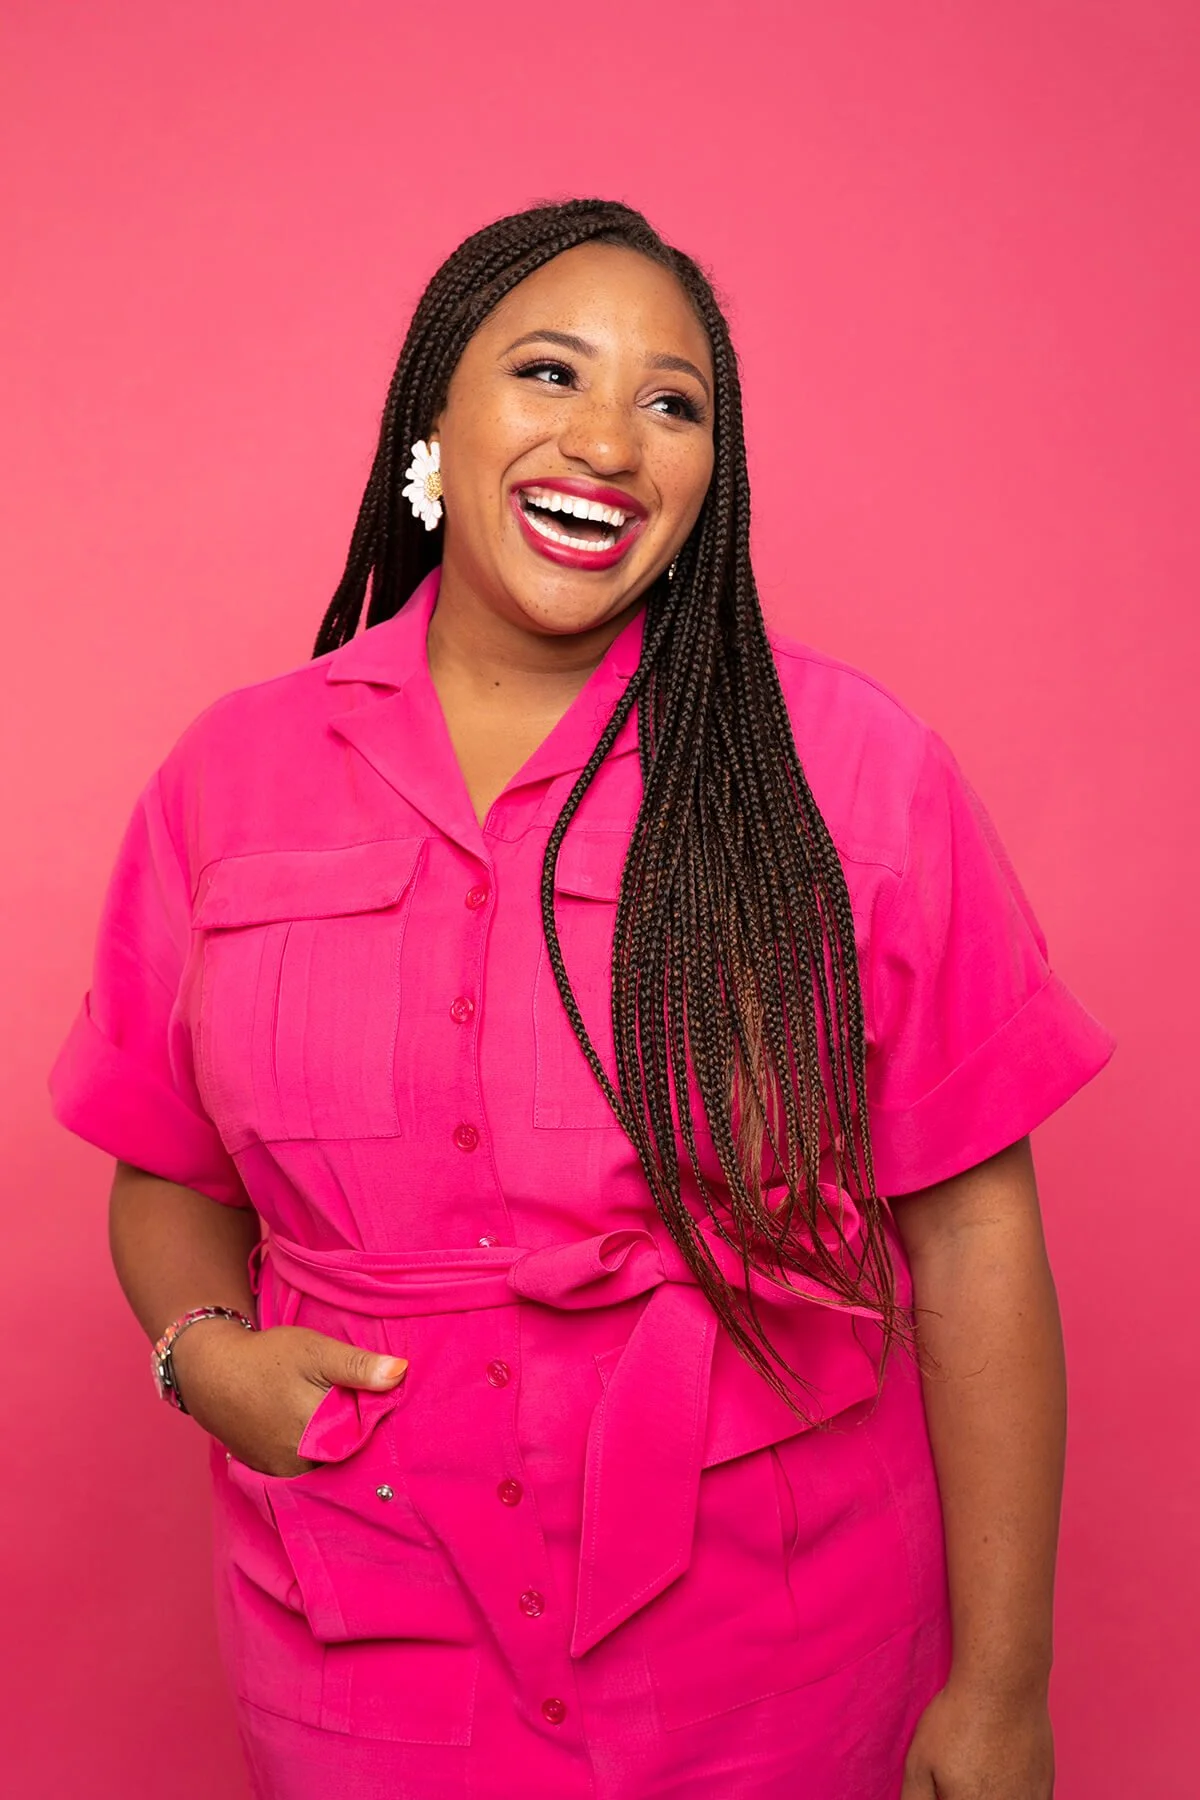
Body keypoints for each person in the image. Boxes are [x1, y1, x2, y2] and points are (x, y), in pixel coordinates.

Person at [49, 198, 1114, 1800]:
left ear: (711, 478)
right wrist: (202, 1352)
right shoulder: (231, 777)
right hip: (360, 1627)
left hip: (783, 1646)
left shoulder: (856, 771)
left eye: (672, 403)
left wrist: (1003, 1689)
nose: (609, 440)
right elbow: (165, 1169)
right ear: (436, 414)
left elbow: (971, 1237)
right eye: (550, 373)